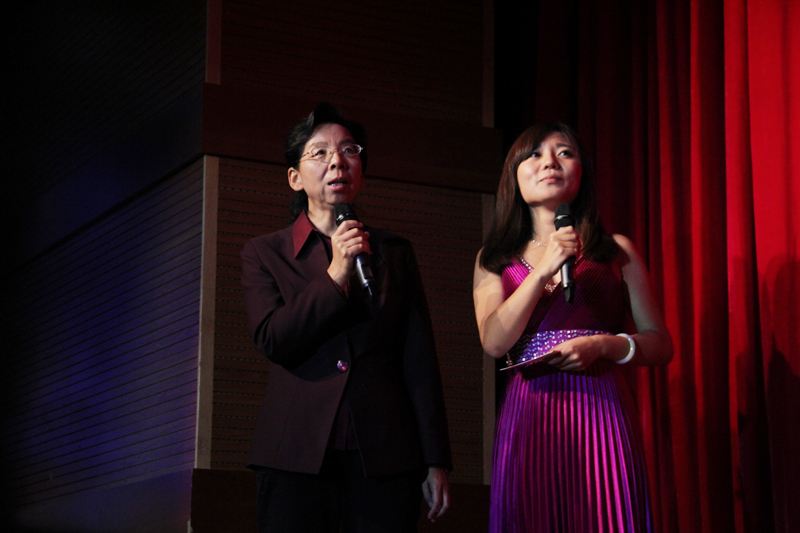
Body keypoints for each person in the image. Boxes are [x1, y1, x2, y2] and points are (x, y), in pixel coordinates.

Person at [241, 102, 452, 532]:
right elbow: (273, 338)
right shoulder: (264, 252)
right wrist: (335, 274)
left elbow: (419, 359)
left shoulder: (393, 252)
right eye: (320, 152)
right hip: (295, 456)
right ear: (295, 178)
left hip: (385, 456)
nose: (337, 161)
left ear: (361, 172)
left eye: (349, 150)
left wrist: (435, 459)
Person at [472, 123, 673, 532]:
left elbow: (660, 343)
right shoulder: (493, 258)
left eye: (564, 152)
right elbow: (494, 342)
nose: (549, 162)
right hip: (529, 411)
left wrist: (605, 345)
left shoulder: (615, 250)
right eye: (534, 154)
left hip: (601, 409)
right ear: (514, 174)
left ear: (582, 173)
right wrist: (543, 268)